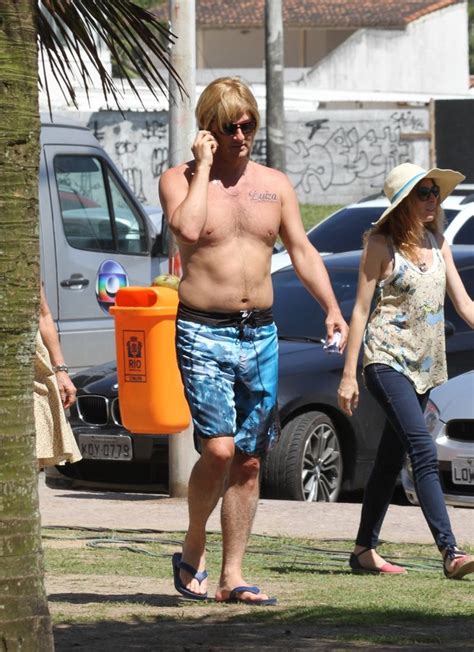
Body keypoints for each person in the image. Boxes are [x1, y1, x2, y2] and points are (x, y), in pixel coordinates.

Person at [159, 76, 349, 604]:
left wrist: (332, 309)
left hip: (260, 333)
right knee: (218, 449)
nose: (241, 135)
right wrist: (202, 169)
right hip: (202, 329)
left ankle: (232, 575)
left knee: (248, 459)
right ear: (208, 129)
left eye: (248, 125)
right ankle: (193, 543)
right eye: (229, 126)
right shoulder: (179, 180)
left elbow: (304, 251)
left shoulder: (274, 184)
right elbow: (190, 231)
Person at [337, 162, 474, 580]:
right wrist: (348, 375)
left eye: (435, 192)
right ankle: (451, 552)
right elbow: (360, 311)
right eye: (423, 192)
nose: (433, 199)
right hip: (386, 361)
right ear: (402, 203)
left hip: (425, 368)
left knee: (387, 460)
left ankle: (364, 550)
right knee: (423, 448)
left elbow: (466, 306)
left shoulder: (438, 243)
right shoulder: (380, 245)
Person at [35, 285, 81, 468]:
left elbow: (43, 314)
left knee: (32, 448)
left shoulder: (21, 260)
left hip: (31, 370)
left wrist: (61, 370)